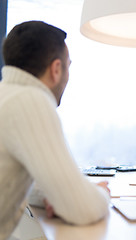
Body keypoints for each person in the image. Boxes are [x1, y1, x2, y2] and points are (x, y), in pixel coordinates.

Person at [0, 21, 110, 240]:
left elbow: (25, 178)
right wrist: (101, 193)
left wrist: (55, 196)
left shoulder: (8, 95)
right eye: (68, 66)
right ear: (56, 69)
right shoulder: (29, 100)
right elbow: (82, 208)